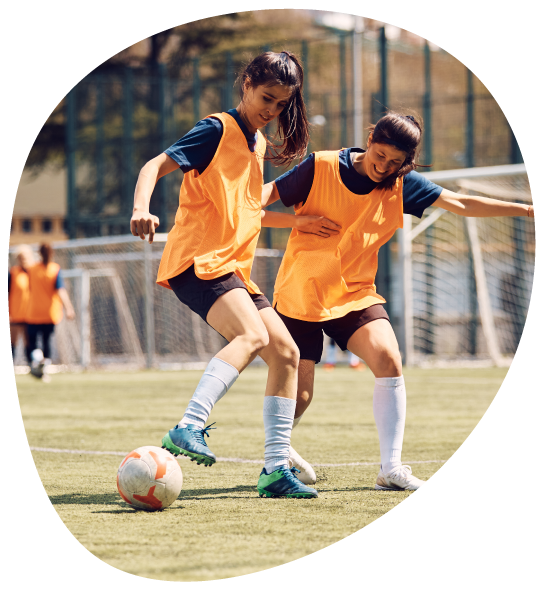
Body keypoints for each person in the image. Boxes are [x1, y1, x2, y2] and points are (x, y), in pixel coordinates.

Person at [260, 111, 535, 490]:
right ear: (370, 140)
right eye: (380, 157)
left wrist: (526, 209)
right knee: (301, 396)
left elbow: (462, 203)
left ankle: (390, 469)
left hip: (355, 292)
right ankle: (277, 455)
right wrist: (298, 223)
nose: (384, 167)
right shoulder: (319, 166)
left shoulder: (401, 183)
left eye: (395, 163)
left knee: (389, 359)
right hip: (301, 293)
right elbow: (254, 205)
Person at [130, 51, 318, 499]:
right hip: (199, 261)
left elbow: (249, 212)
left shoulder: (255, 144)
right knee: (252, 337)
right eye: (266, 97)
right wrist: (141, 207)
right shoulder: (217, 129)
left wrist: (297, 223)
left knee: (286, 355)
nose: (271, 110)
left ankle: (274, 470)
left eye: (280, 105)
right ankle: (188, 425)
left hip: (232, 268)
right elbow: (153, 166)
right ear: (247, 83)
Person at [26, 243, 76, 381]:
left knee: (33, 342)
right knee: (46, 341)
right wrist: (69, 308)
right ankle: (44, 370)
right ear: (52, 254)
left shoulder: (32, 269)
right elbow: (60, 290)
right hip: (50, 312)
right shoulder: (55, 269)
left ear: (39, 253)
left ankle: (37, 362)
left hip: (33, 312)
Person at [9, 245, 34, 364]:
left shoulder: (34, 272)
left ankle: (31, 365)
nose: (23, 260)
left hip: (30, 314)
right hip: (15, 313)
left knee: (29, 341)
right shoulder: (13, 273)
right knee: (12, 341)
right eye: (20, 258)